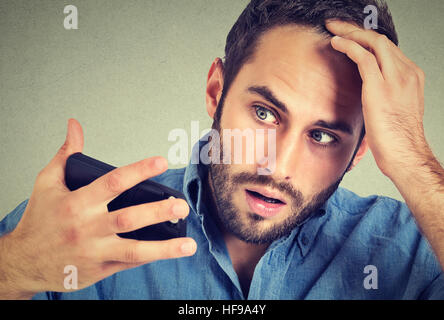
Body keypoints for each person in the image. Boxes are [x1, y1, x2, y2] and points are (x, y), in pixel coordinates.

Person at [1, 0, 443, 299]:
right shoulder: (71, 228)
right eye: (265, 113)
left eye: (323, 136)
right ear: (216, 91)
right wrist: (16, 267)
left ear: (362, 148)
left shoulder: (412, 250)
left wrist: (414, 162)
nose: (279, 167)